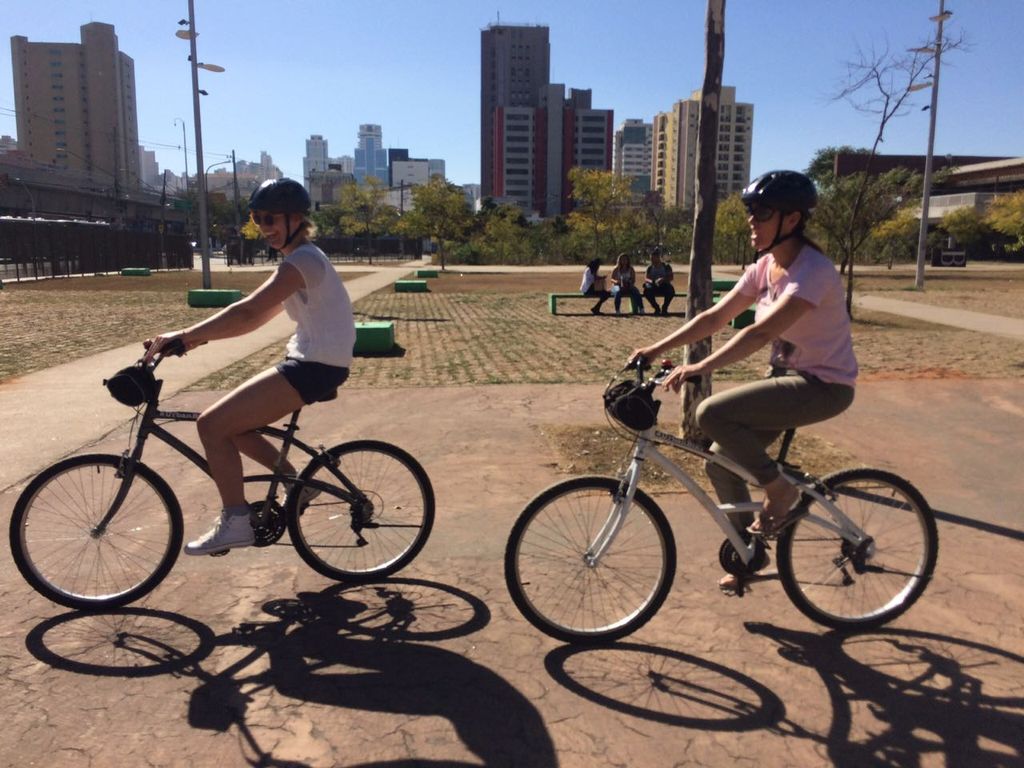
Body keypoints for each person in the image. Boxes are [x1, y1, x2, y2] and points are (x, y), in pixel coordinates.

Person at [629, 170, 857, 593]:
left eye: (763, 212)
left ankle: (780, 491)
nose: (752, 220)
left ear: (792, 219)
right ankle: (749, 553)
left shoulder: (813, 271)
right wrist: (656, 348)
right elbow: (715, 317)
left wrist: (699, 367)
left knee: (711, 413)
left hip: (824, 386)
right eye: (751, 211)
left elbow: (759, 333)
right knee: (720, 461)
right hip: (786, 380)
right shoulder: (766, 266)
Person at [143, 178, 356, 556]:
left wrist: (186, 334)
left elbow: (247, 311)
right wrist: (194, 340)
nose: (264, 227)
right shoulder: (299, 260)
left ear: (295, 219)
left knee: (211, 425)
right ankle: (295, 482)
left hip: (316, 365)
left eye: (271, 218)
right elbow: (256, 319)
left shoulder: (302, 261)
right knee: (231, 425)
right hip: (312, 361)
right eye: (258, 218)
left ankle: (237, 522)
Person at [642, 247, 675, 315]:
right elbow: (646, 278)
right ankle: (656, 307)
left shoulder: (666, 266)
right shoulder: (650, 267)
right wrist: (653, 281)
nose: (652, 260)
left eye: (653, 258)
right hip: (653, 286)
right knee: (646, 291)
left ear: (658, 257)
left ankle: (665, 307)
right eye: (651, 258)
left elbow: (671, 277)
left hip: (664, 285)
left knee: (671, 291)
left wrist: (663, 279)